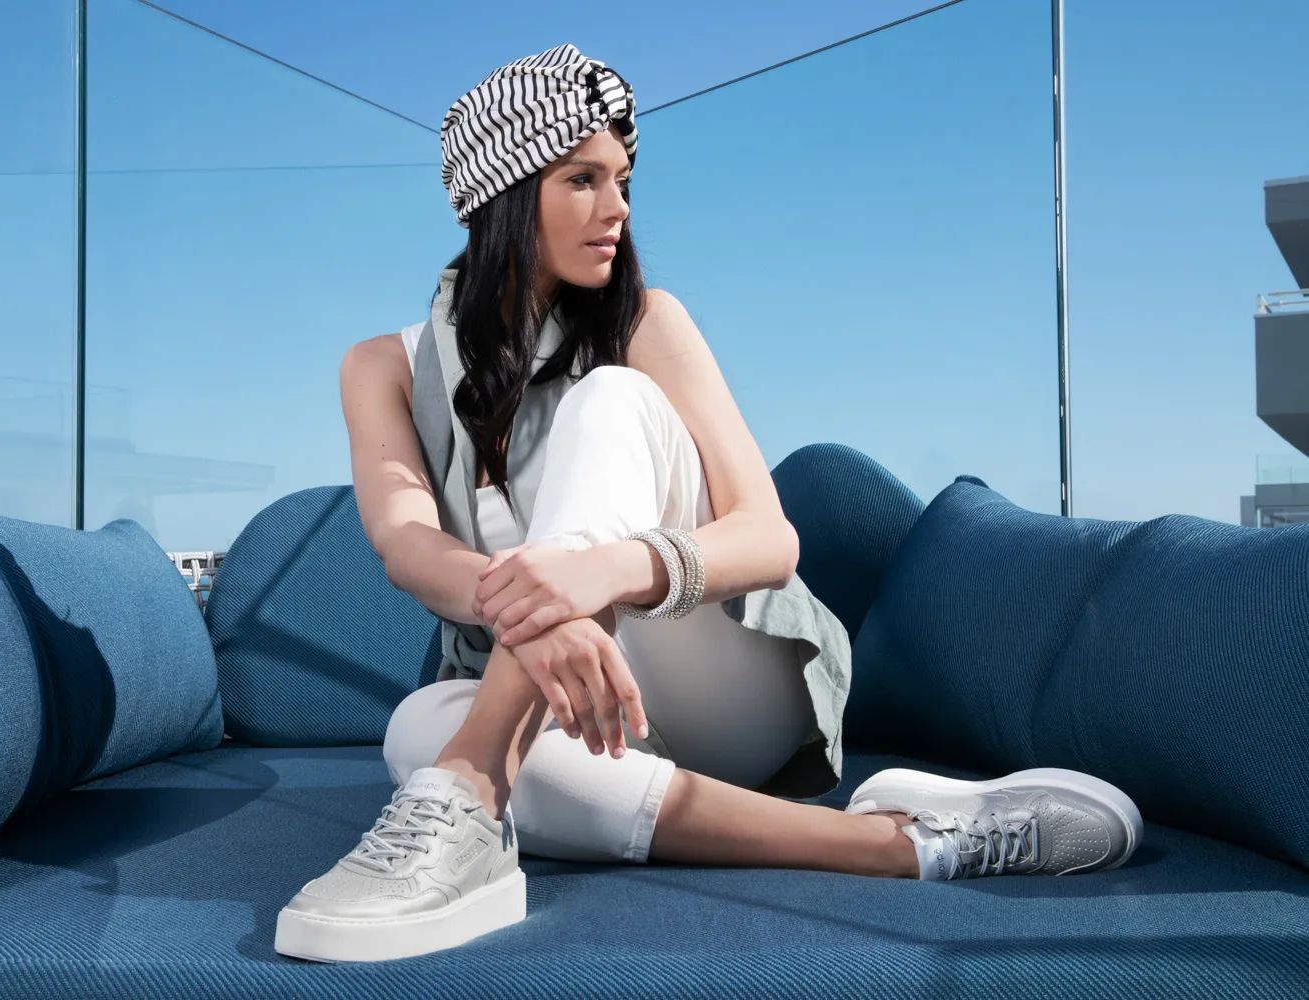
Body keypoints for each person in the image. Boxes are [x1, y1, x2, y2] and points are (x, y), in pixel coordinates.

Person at [273, 43, 1143, 965]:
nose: (618, 208)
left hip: (723, 681)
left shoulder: (646, 323)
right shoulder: (381, 367)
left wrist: (600, 573)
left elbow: (769, 539)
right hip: (584, 709)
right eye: (582, 180)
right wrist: (544, 612)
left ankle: (472, 787)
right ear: (502, 195)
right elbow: (406, 543)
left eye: (623, 180)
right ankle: (900, 845)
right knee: (413, 728)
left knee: (610, 399)